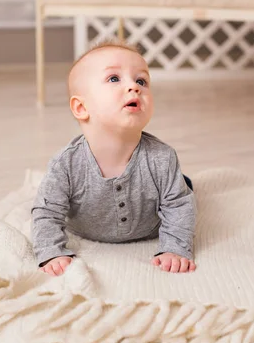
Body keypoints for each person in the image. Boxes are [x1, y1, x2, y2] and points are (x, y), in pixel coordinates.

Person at [31, 38, 197, 277]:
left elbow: (178, 207)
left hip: (150, 225)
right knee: (47, 197)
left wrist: (175, 248)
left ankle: (183, 182)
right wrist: (52, 252)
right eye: (114, 79)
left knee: (184, 194)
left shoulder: (162, 157)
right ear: (81, 108)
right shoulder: (66, 164)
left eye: (141, 80)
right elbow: (46, 213)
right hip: (86, 228)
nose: (134, 87)